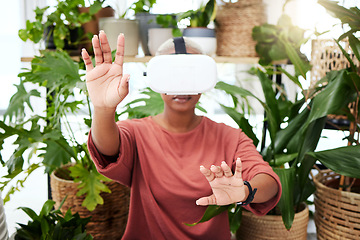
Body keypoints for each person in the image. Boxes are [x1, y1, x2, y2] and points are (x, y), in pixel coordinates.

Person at [82, 31, 281, 240]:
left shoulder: (229, 137)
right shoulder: (136, 133)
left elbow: (269, 182)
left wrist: (245, 191)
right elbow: (107, 150)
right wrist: (102, 108)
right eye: (172, 74)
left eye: (190, 73)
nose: (181, 85)